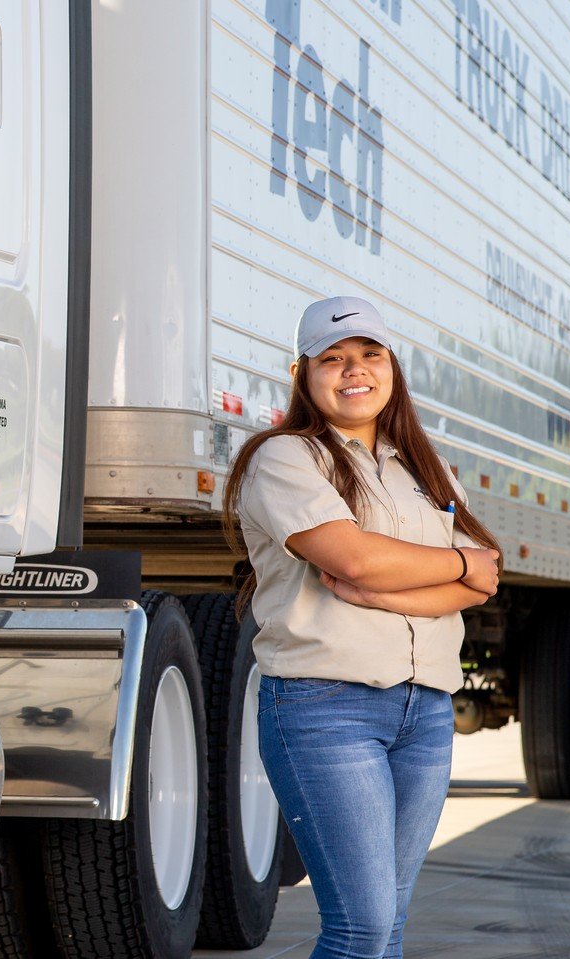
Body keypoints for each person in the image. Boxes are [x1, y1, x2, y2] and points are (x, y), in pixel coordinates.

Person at [222, 295, 502, 959]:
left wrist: (385, 591)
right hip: (325, 708)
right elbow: (352, 559)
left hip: (425, 711)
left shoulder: (424, 468)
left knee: (388, 927)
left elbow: (484, 578)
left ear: (392, 367)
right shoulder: (285, 458)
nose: (355, 370)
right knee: (361, 927)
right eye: (333, 358)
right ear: (302, 374)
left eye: (371, 354)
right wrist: (450, 564)